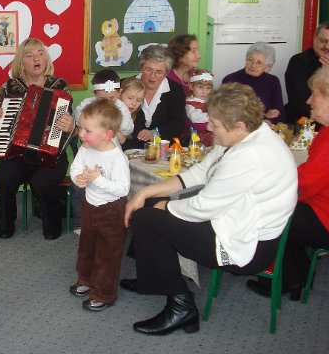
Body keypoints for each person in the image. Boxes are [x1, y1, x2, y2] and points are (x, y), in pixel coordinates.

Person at [121, 83, 297, 335]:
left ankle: (181, 307)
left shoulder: (251, 155)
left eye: (215, 124)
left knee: (147, 218)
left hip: (246, 243)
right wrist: (146, 192)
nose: (209, 128)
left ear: (239, 126)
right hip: (233, 221)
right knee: (148, 204)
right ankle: (154, 276)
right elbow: (199, 173)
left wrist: (166, 206)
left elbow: (202, 207)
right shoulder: (244, 136)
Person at [0, 38, 75, 240]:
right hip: (18, 154)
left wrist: (71, 126)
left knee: (42, 181)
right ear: (21, 63)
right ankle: (5, 224)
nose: (36, 59)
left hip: (51, 155)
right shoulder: (11, 87)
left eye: (40, 54)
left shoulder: (59, 86)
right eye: (29, 55)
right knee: (3, 175)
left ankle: (52, 226)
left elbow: (69, 128)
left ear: (46, 59)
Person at [247, 65, 329, 300]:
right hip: (319, 207)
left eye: (315, 95)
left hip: (324, 217)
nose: (309, 101)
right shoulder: (326, 131)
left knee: (265, 211)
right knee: (282, 211)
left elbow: (304, 184)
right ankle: (295, 276)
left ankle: (282, 278)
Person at [68, 99, 130, 312]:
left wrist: (97, 180)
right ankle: (85, 279)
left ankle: (104, 294)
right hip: (89, 206)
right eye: (81, 128)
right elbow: (76, 168)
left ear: (107, 134)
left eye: (87, 130)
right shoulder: (86, 149)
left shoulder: (117, 157)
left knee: (107, 254)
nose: (81, 134)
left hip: (111, 212)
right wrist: (78, 179)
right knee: (86, 246)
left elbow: (122, 189)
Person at [70, 69, 133, 234]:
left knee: (108, 184)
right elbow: (79, 121)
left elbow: (128, 128)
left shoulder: (120, 107)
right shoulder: (87, 105)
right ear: (94, 93)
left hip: (109, 152)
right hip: (90, 150)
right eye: (102, 100)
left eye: (112, 98)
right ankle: (79, 222)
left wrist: (113, 120)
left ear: (119, 93)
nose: (107, 103)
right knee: (79, 187)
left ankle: (111, 220)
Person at [121, 44, 186, 151]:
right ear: (141, 67)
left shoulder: (175, 90)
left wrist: (156, 132)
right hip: (127, 149)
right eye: (148, 69)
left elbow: (179, 123)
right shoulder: (124, 85)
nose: (152, 76)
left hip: (163, 150)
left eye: (159, 72)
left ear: (166, 73)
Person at [222, 42, 285, 124]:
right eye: (250, 60)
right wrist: (264, 117)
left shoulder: (273, 81)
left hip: (264, 129)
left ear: (267, 67)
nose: (253, 65)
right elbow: (225, 113)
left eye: (259, 62)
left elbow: (279, 116)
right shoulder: (230, 80)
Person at [284, 22, 329, 123]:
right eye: (323, 41)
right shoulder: (299, 62)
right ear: (314, 38)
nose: (327, 46)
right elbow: (300, 104)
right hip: (303, 122)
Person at [185, 69, 214, 146]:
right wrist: (214, 117)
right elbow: (195, 117)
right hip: (196, 136)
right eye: (200, 87)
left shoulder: (211, 102)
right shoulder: (189, 103)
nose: (204, 91)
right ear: (191, 87)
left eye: (208, 88)